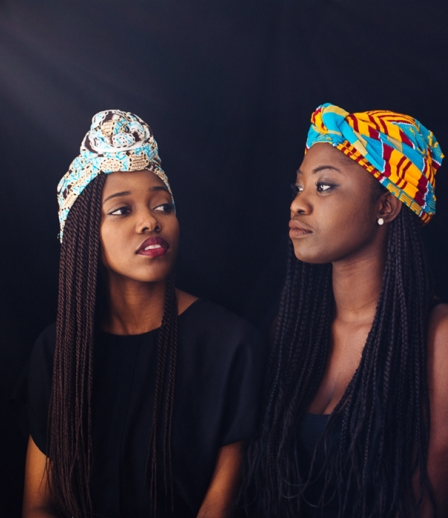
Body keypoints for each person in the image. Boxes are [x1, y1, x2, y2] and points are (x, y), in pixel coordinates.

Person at [240, 104, 448, 518]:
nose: (298, 204)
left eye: (324, 187)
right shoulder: (289, 331)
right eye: (298, 187)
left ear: (386, 206)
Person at [20, 110, 265, 518]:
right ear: (83, 235)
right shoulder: (57, 350)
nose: (150, 221)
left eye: (163, 206)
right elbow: (40, 505)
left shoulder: (231, 345)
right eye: (121, 210)